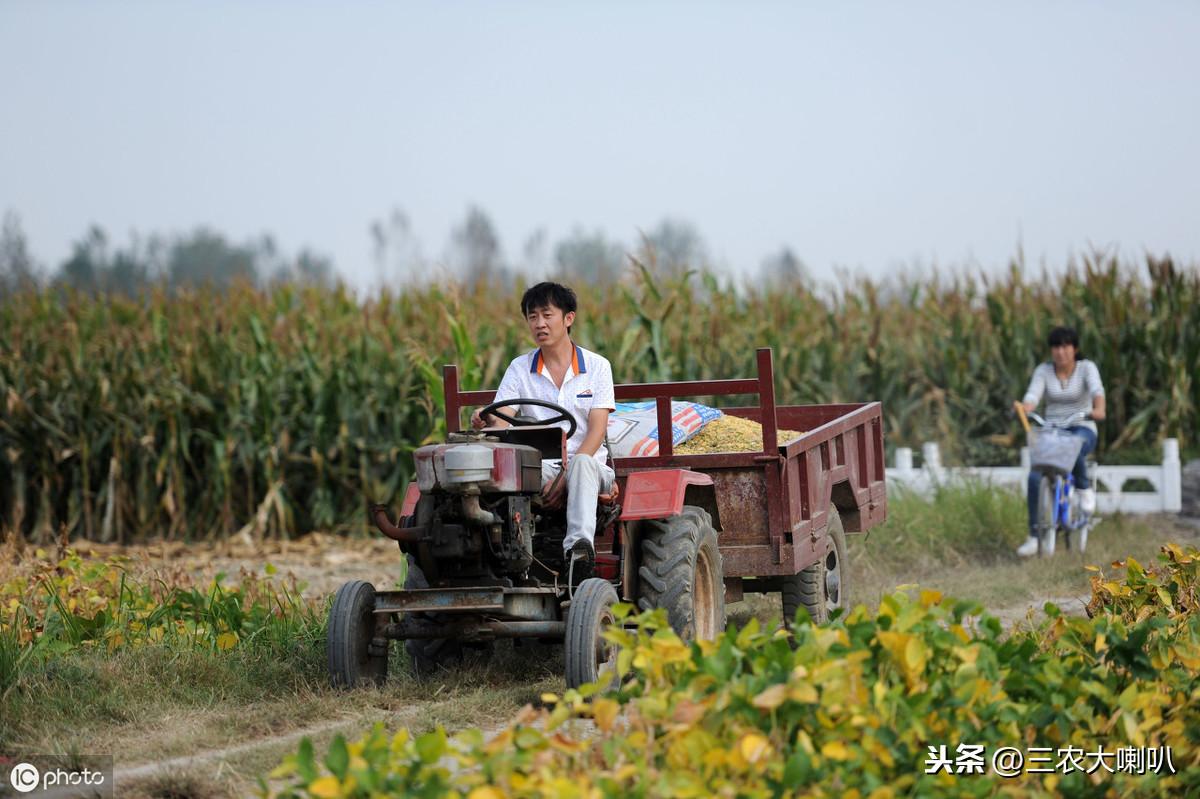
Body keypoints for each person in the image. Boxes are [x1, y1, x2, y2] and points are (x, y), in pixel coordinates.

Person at [470, 281, 616, 581]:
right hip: (540, 467)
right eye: (532, 316)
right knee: (500, 470)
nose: (540, 324)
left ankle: (577, 552)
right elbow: (502, 420)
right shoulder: (520, 368)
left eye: (547, 315)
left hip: (590, 467)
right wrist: (486, 419)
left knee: (582, 464)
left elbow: (597, 430)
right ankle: (500, 557)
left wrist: (567, 474)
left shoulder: (598, 367)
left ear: (568, 318)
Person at [1015, 326, 1106, 557]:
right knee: (1035, 476)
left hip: (1082, 426)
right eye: (1055, 347)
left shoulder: (1087, 368)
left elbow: (1097, 390)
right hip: (1053, 430)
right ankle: (1034, 537)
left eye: (1065, 346)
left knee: (1075, 445)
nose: (1060, 352)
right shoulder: (1043, 371)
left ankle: (1084, 490)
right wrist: (1026, 407)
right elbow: (1033, 395)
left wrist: (1098, 409)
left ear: (1075, 349)